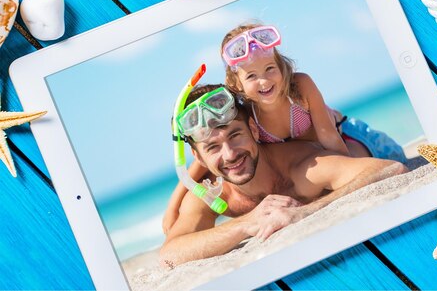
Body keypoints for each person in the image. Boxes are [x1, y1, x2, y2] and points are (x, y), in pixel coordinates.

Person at [162, 23, 406, 233]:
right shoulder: (248, 112)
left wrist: (341, 172)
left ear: (281, 65)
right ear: (236, 83)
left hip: (348, 137)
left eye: (270, 69)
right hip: (312, 154)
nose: (264, 81)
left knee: (371, 165)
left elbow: (328, 135)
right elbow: (202, 161)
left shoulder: (299, 86)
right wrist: (173, 207)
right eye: (252, 76)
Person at [159, 85, 407, 266]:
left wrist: (304, 212)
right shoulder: (212, 193)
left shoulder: (303, 168)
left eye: (236, 136)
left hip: (358, 139)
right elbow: (169, 254)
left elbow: (392, 168)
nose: (230, 154)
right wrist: (248, 223)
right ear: (198, 157)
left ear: (253, 129)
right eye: (212, 148)